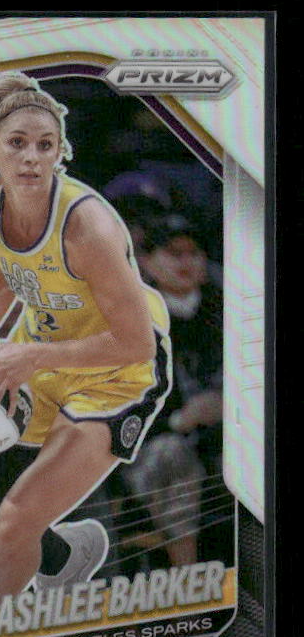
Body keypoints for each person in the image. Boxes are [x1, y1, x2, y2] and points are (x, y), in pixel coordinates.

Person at [0, 71, 172, 608]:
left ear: (59, 153)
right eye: (17, 143)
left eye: (45, 146)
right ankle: (67, 556)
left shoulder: (87, 227)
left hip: (118, 369)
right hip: (36, 351)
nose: (30, 158)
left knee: (14, 523)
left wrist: (34, 357)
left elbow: (135, 343)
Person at [118, 213, 224, 566]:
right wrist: (181, 420)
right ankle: (188, 578)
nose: (185, 262)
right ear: (147, 262)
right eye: (173, 253)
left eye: (194, 253)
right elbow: (121, 415)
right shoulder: (133, 320)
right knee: (171, 454)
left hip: (223, 440)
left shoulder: (229, 307)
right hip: (153, 448)